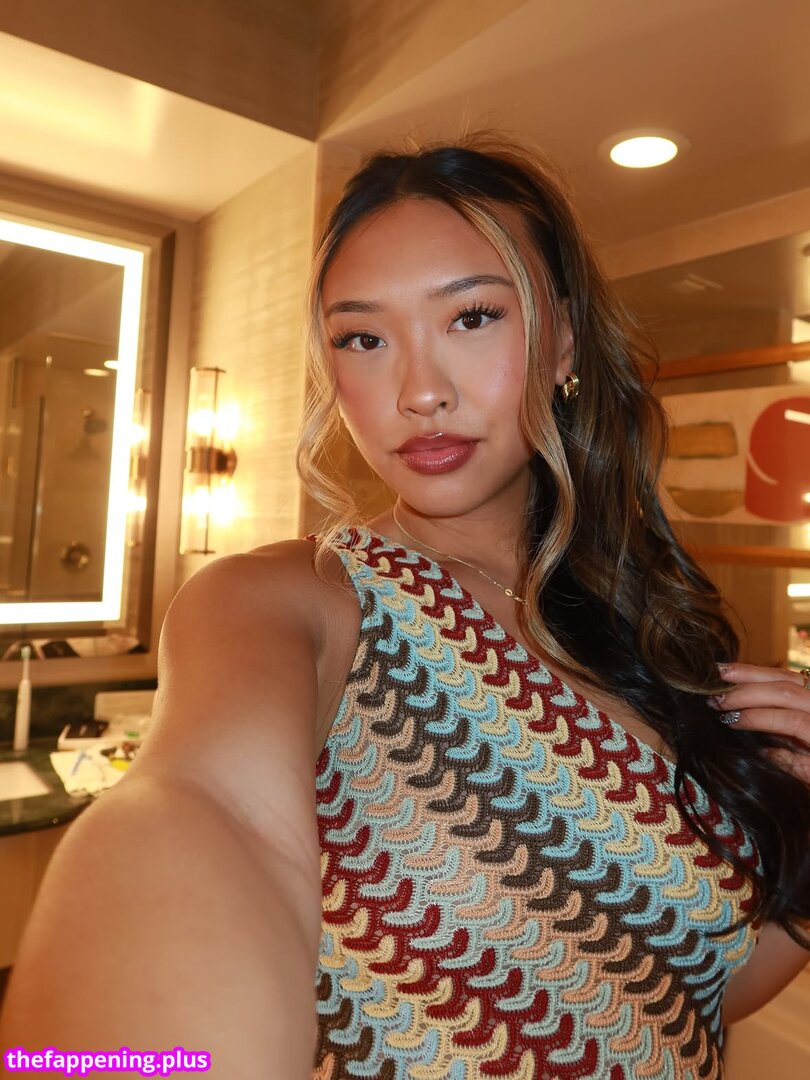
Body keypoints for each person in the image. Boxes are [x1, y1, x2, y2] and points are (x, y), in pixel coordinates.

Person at [2, 136, 809, 1080]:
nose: (420, 392)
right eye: (364, 338)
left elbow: (687, 992)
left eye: (472, 317)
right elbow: (203, 811)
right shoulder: (298, 602)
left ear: (563, 340)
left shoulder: (639, 627)